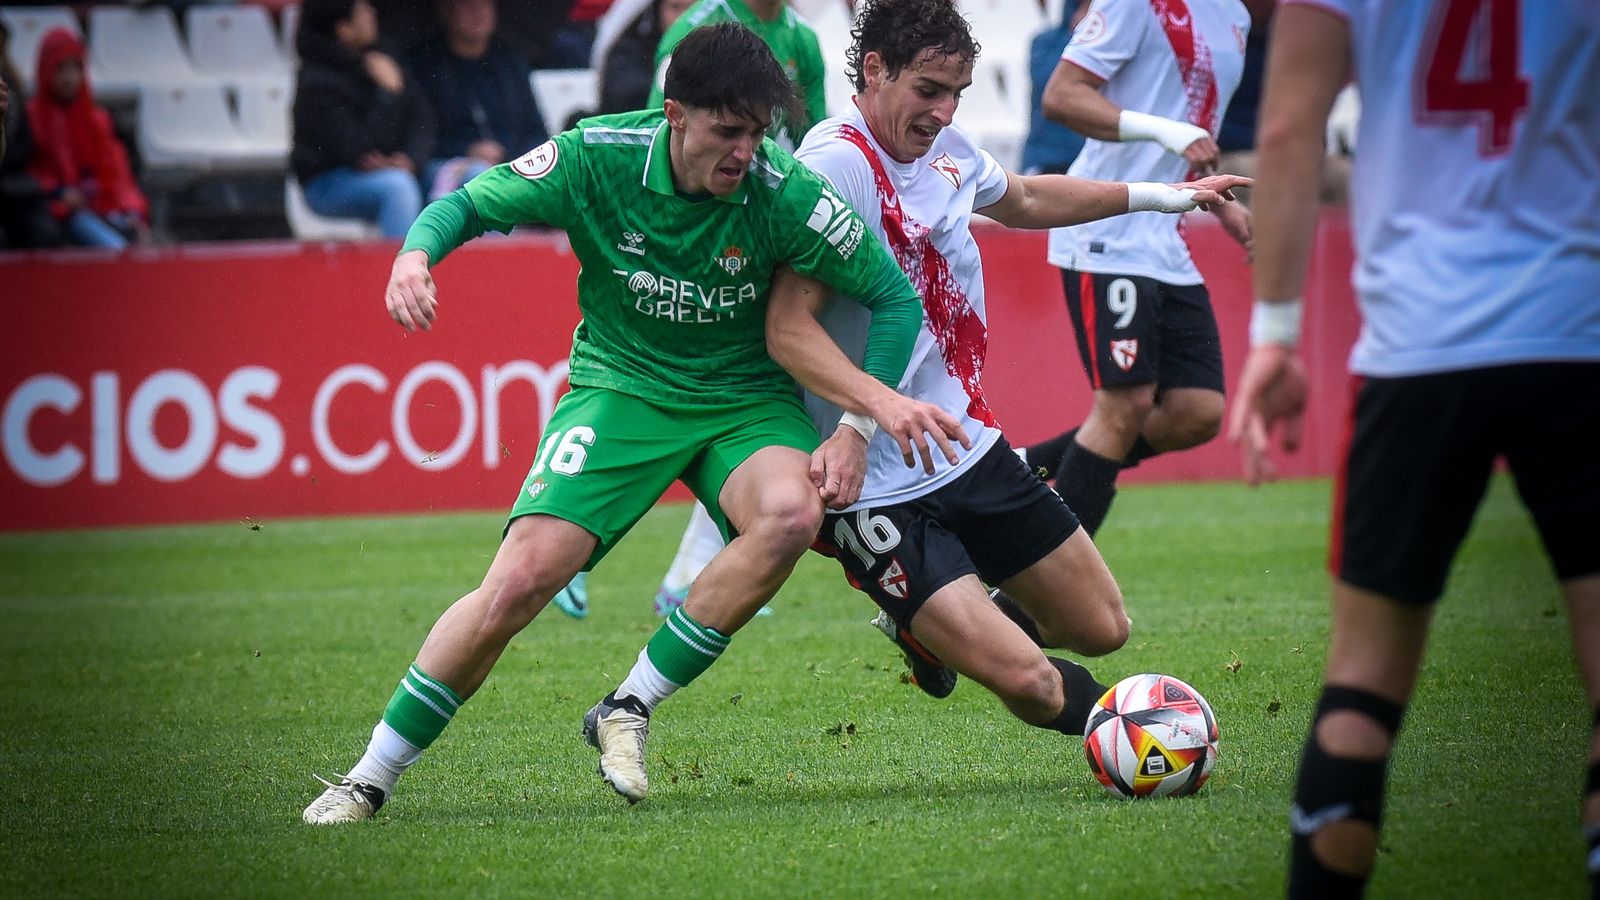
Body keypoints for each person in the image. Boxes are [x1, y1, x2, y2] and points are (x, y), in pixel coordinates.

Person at [582, 0, 1252, 804]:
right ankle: (1129, 728)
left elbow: (1029, 200)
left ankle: (932, 624)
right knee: (1032, 686)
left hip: (961, 443)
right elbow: (788, 330)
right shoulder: (835, 166)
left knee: (1104, 627)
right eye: (928, 89)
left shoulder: (948, 149)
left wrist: (1161, 197)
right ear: (873, 72)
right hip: (871, 482)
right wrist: (861, 426)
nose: (942, 112)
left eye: (958, 94)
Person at [301, 21, 967, 825]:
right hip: (622, 386)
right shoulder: (597, 156)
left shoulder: (784, 190)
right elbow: (470, 203)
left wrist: (857, 427)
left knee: (793, 513)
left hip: (742, 398)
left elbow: (893, 295)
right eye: (727, 132)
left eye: (757, 134)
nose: (745, 154)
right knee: (519, 582)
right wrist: (414, 256)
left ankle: (629, 705)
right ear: (674, 112)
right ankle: (368, 779)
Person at [1229, 2, 1600, 896]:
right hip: (1580, 333)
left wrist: (1274, 335)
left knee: (1362, 689)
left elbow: (1287, 130)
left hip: (1417, 351)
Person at [1016, 0, 1253, 539]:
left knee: (1197, 411)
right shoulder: (1137, 4)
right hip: (1108, 226)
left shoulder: (1235, 14)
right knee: (1123, 405)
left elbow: (1191, 123)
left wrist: (1218, 199)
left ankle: (1014, 469)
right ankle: (1030, 594)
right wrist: (1163, 131)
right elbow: (1062, 96)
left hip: (1163, 234)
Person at [291, 0, 433, 238]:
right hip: (331, 182)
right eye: (362, 10)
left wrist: (413, 160)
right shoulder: (317, 80)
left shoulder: (385, 55)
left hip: (404, 168)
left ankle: (494, 272)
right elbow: (360, 148)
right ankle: (404, 274)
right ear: (344, 29)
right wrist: (389, 95)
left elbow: (423, 117)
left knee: (476, 179)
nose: (372, 12)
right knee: (397, 188)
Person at [407, 0, 549, 202]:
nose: (478, 12)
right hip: (443, 165)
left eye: (486, 4)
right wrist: (465, 150)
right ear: (446, 10)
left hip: (511, 163)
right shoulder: (424, 65)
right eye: (468, 4)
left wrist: (508, 154)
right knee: (482, 179)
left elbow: (535, 131)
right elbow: (417, 134)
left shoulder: (510, 63)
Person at [24, 28, 148, 249]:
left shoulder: (97, 119)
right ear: (45, 69)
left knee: (136, 240)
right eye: (60, 67)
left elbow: (116, 173)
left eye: (76, 67)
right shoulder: (32, 117)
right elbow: (28, 171)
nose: (69, 77)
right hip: (61, 211)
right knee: (116, 249)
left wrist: (132, 210)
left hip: (101, 207)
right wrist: (59, 192)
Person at [648, 0, 827, 149]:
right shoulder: (692, 30)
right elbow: (657, 127)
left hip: (757, 182)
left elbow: (812, 142)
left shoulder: (804, 37)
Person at [1019, 0, 1086, 176]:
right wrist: (1080, 37)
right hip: (1046, 160)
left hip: (1095, 162)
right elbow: (1054, 91)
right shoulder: (1044, 43)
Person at [594, 0, 695, 115]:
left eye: (691, 8)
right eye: (675, 7)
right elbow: (626, 94)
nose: (683, 17)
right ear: (657, 10)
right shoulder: (629, 48)